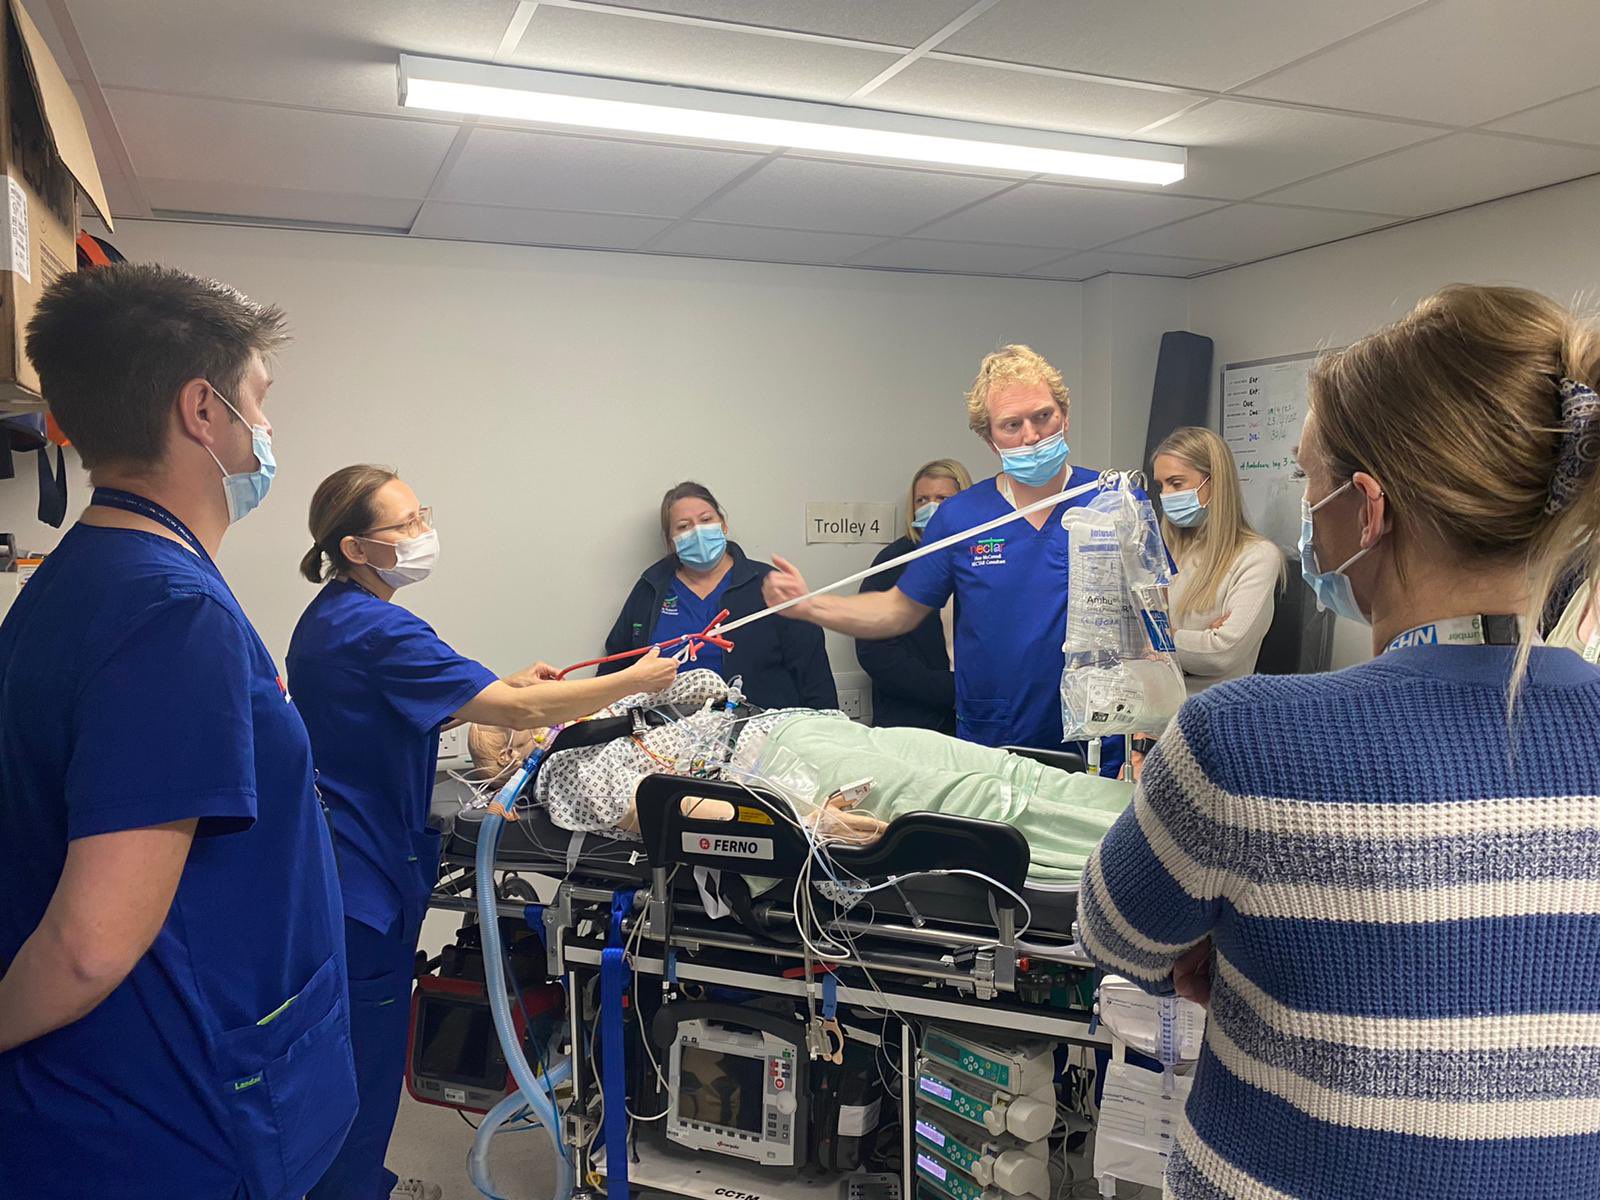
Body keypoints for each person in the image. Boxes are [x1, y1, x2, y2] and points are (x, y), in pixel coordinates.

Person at [1078, 285, 1600, 1198]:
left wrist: (1236, 942)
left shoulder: (1246, 739)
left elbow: (1114, 934)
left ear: (1367, 510)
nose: (1304, 510)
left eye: (1306, 481)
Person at [0, 265, 358, 1198]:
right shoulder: (171, 612)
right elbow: (89, 945)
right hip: (158, 1116)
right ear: (204, 411)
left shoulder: (79, 578)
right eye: (259, 399)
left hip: (113, 1094)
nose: (265, 428)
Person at [290, 465, 677, 1200]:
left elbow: (416, 699)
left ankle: (353, 1184)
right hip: (359, 878)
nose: (422, 532)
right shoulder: (376, 628)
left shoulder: (338, 616)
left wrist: (505, 688)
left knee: (349, 1061)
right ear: (356, 549)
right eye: (404, 524)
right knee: (361, 1067)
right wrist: (631, 682)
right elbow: (518, 715)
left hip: (351, 861)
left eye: (421, 515)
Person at [763, 345, 1122, 770]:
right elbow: (898, 611)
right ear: (990, 439)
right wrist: (812, 606)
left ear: (1065, 415)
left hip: (1099, 735)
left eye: (1043, 416)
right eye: (1012, 425)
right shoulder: (961, 516)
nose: (1031, 436)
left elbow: (1154, 619)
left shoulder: (1114, 500)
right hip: (995, 737)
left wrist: (1147, 730)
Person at [602, 481, 837, 709]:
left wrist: (828, 728)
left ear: (723, 525)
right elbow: (614, 672)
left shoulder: (770, 586)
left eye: (706, 520)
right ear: (670, 542)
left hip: (758, 727)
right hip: (666, 728)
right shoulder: (651, 589)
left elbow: (813, 672)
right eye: (683, 526)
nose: (697, 531)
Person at [1151, 427, 1283, 695]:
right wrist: (1190, 642)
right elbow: (1123, 635)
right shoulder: (1159, 551)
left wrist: (1155, 638)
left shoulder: (1256, 556)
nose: (1165, 496)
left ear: (1214, 482)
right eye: (1161, 486)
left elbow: (1221, 653)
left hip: (1212, 712)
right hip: (1149, 711)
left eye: (1176, 483)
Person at [856, 458, 971, 733]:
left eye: (942, 498)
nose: (931, 507)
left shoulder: (985, 558)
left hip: (980, 714)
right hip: (913, 719)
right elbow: (875, 650)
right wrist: (950, 691)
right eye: (922, 500)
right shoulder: (893, 562)